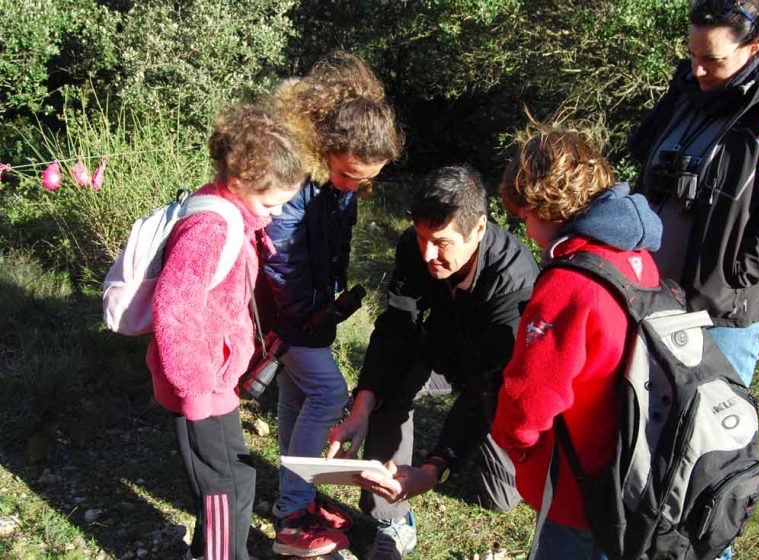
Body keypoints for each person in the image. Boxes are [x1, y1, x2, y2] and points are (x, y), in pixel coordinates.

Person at [327, 165, 539, 559]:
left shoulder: (515, 277)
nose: (427, 253)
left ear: (478, 229)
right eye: (422, 237)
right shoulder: (415, 247)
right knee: (391, 386)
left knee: (501, 497)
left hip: (496, 372)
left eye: (440, 243)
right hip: (440, 349)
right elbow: (396, 328)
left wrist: (435, 467)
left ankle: (463, 459)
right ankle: (391, 519)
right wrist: (362, 406)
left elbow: (486, 384)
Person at [257, 51, 404, 558]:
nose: (355, 186)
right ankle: (293, 512)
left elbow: (331, 238)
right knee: (327, 391)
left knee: (296, 399)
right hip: (283, 312)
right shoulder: (294, 172)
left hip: (311, 309)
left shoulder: (335, 178)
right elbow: (279, 256)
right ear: (325, 148)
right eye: (348, 175)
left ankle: (289, 501)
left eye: (365, 180)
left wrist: (331, 300)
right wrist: (304, 318)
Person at [491, 126, 662, 560]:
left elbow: (529, 397)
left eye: (526, 217)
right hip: (627, 469)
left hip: (574, 481)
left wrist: (513, 444)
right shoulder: (636, 259)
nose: (526, 230)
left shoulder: (569, 282)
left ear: (549, 207)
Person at [146, 105, 304, 560]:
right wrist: (195, 391)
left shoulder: (237, 217)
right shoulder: (209, 227)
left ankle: (216, 552)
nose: (274, 215)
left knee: (238, 476)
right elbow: (174, 310)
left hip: (217, 380)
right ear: (238, 182)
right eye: (270, 203)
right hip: (196, 385)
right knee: (221, 489)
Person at [630, 0, 759, 391]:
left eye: (712, 59)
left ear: (756, 46)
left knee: (702, 432)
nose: (698, 70)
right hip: (655, 291)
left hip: (726, 312)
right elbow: (643, 154)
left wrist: (735, 276)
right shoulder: (687, 85)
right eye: (692, 54)